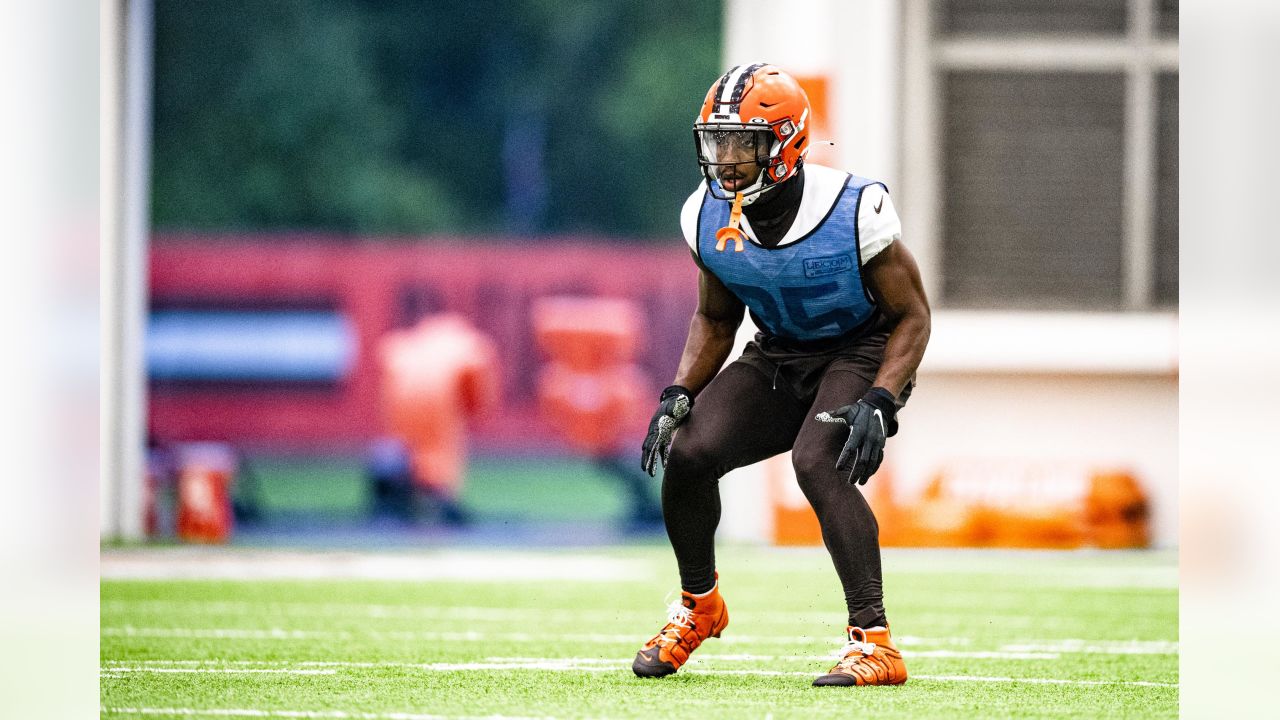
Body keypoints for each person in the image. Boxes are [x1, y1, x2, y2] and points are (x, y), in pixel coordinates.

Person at [632, 63, 931, 687]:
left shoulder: (854, 208)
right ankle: (699, 606)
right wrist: (679, 391)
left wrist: (881, 396)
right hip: (778, 355)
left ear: (786, 142)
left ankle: (875, 642)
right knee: (689, 454)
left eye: (744, 141)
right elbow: (716, 320)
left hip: (858, 349)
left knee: (815, 462)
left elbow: (912, 315)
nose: (727, 158)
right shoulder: (706, 215)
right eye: (718, 141)